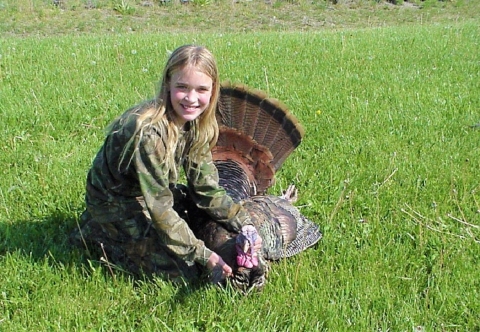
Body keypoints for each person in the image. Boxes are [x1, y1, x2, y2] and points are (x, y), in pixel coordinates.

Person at [71, 44, 261, 283]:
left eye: (201, 89)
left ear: (212, 91)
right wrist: (204, 255)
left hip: (151, 192)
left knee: (194, 219)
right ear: (168, 84)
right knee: (186, 272)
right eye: (182, 87)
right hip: (114, 201)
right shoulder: (149, 133)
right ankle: (98, 233)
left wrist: (246, 224)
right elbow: (160, 210)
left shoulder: (198, 124)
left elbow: (206, 190)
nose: (192, 99)